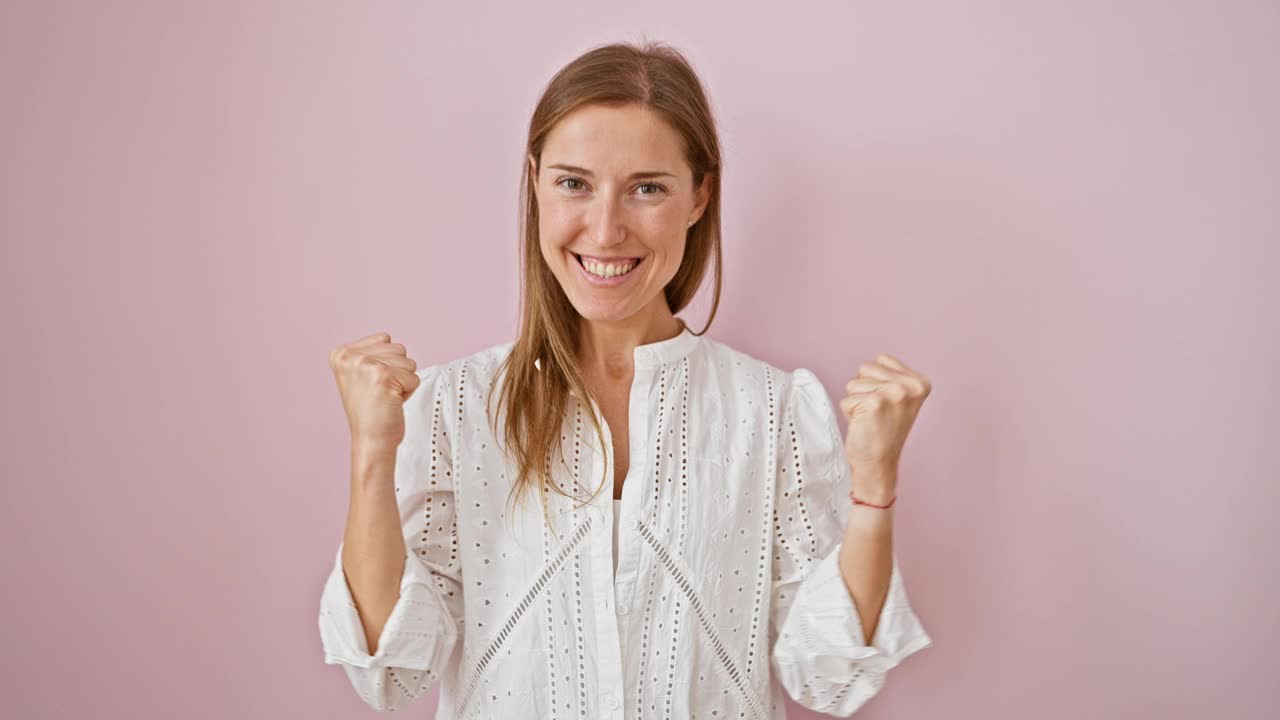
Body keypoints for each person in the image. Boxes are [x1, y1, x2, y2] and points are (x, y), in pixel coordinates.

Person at [318, 40, 934, 719]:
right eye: (574, 183)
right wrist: (373, 454)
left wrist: (874, 486)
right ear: (535, 182)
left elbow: (830, 676)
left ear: (699, 196)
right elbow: (389, 669)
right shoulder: (453, 408)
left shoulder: (774, 410)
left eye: (647, 188)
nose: (606, 229)